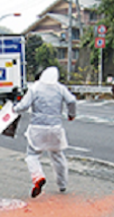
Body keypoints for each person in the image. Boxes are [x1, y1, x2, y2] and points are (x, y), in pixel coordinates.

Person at [13, 66, 76, 198]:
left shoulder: (35, 88)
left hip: (37, 128)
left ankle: (38, 177)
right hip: (55, 128)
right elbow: (71, 100)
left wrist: (14, 110)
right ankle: (62, 184)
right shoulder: (60, 88)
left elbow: (23, 106)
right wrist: (71, 114)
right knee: (58, 156)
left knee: (32, 155)